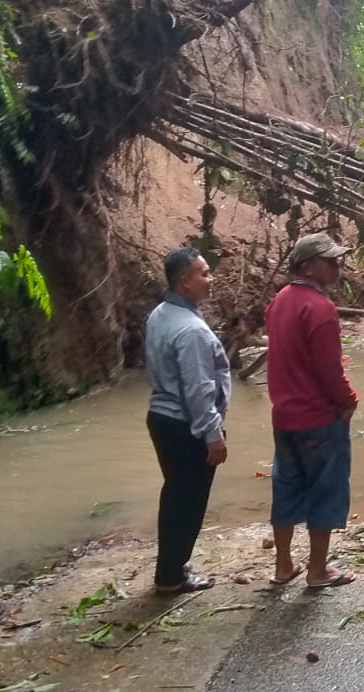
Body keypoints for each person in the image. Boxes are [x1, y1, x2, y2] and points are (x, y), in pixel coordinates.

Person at [264, 233, 359, 589]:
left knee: (286, 486)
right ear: (307, 266)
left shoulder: (280, 301)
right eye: (329, 260)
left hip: (284, 415)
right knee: (325, 489)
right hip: (318, 417)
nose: (336, 265)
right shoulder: (320, 308)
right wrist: (349, 399)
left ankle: (283, 565)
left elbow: (293, 357)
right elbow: (329, 371)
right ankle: (318, 570)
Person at [144, 248, 231, 593]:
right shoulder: (191, 330)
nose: (211, 281)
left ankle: (171, 566)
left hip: (163, 418)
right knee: (188, 501)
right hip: (186, 425)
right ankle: (171, 575)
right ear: (185, 281)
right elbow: (198, 389)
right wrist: (213, 434)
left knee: (176, 495)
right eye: (204, 274)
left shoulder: (161, 314)